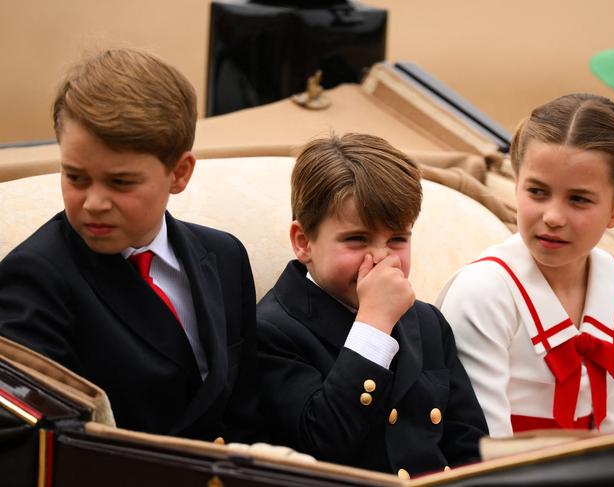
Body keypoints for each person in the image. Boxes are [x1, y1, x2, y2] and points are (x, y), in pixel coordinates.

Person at [0, 48, 263, 442]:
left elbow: (248, 407)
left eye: (120, 182)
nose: (94, 203)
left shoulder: (224, 256)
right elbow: (37, 445)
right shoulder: (35, 279)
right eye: (75, 177)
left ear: (179, 173)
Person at [256, 133, 488, 478]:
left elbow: (471, 447)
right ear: (303, 242)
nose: (381, 257)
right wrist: (373, 323)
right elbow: (323, 441)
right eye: (356, 239)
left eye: (397, 239)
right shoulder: (271, 330)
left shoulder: (426, 322)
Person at [437, 93, 614, 437]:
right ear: (516, 186)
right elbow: (483, 447)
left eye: (578, 199)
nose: (552, 217)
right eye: (537, 192)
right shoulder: (484, 292)